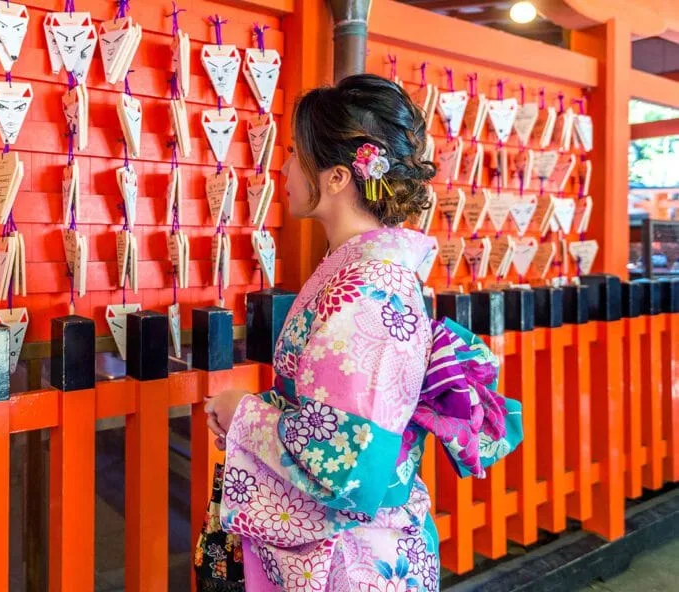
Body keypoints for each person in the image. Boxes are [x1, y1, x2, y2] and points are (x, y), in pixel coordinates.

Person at [202, 74, 522, 591]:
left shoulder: (369, 287)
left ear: (335, 178)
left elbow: (347, 458)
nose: (281, 169)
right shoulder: (361, 272)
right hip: (355, 544)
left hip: (352, 557)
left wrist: (244, 411)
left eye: (293, 154)